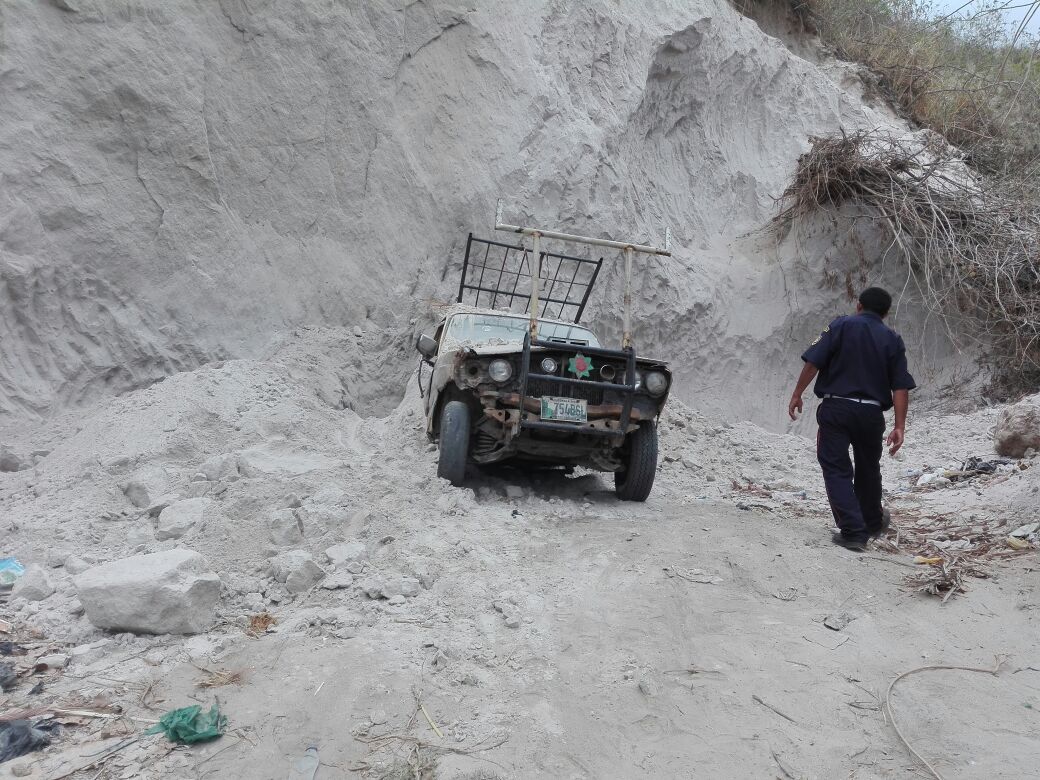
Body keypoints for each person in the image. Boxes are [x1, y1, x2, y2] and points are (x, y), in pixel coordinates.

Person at [787, 287, 916, 552]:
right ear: (886, 313)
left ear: (858, 306)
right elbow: (900, 387)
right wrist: (900, 426)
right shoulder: (892, 339)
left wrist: (797, 393)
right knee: (869, 468)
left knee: (836, 467)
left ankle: (854, 532)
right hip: (871, 414)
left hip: (837, 409)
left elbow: (813, 361)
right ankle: (871, 522)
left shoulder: (840, 326)